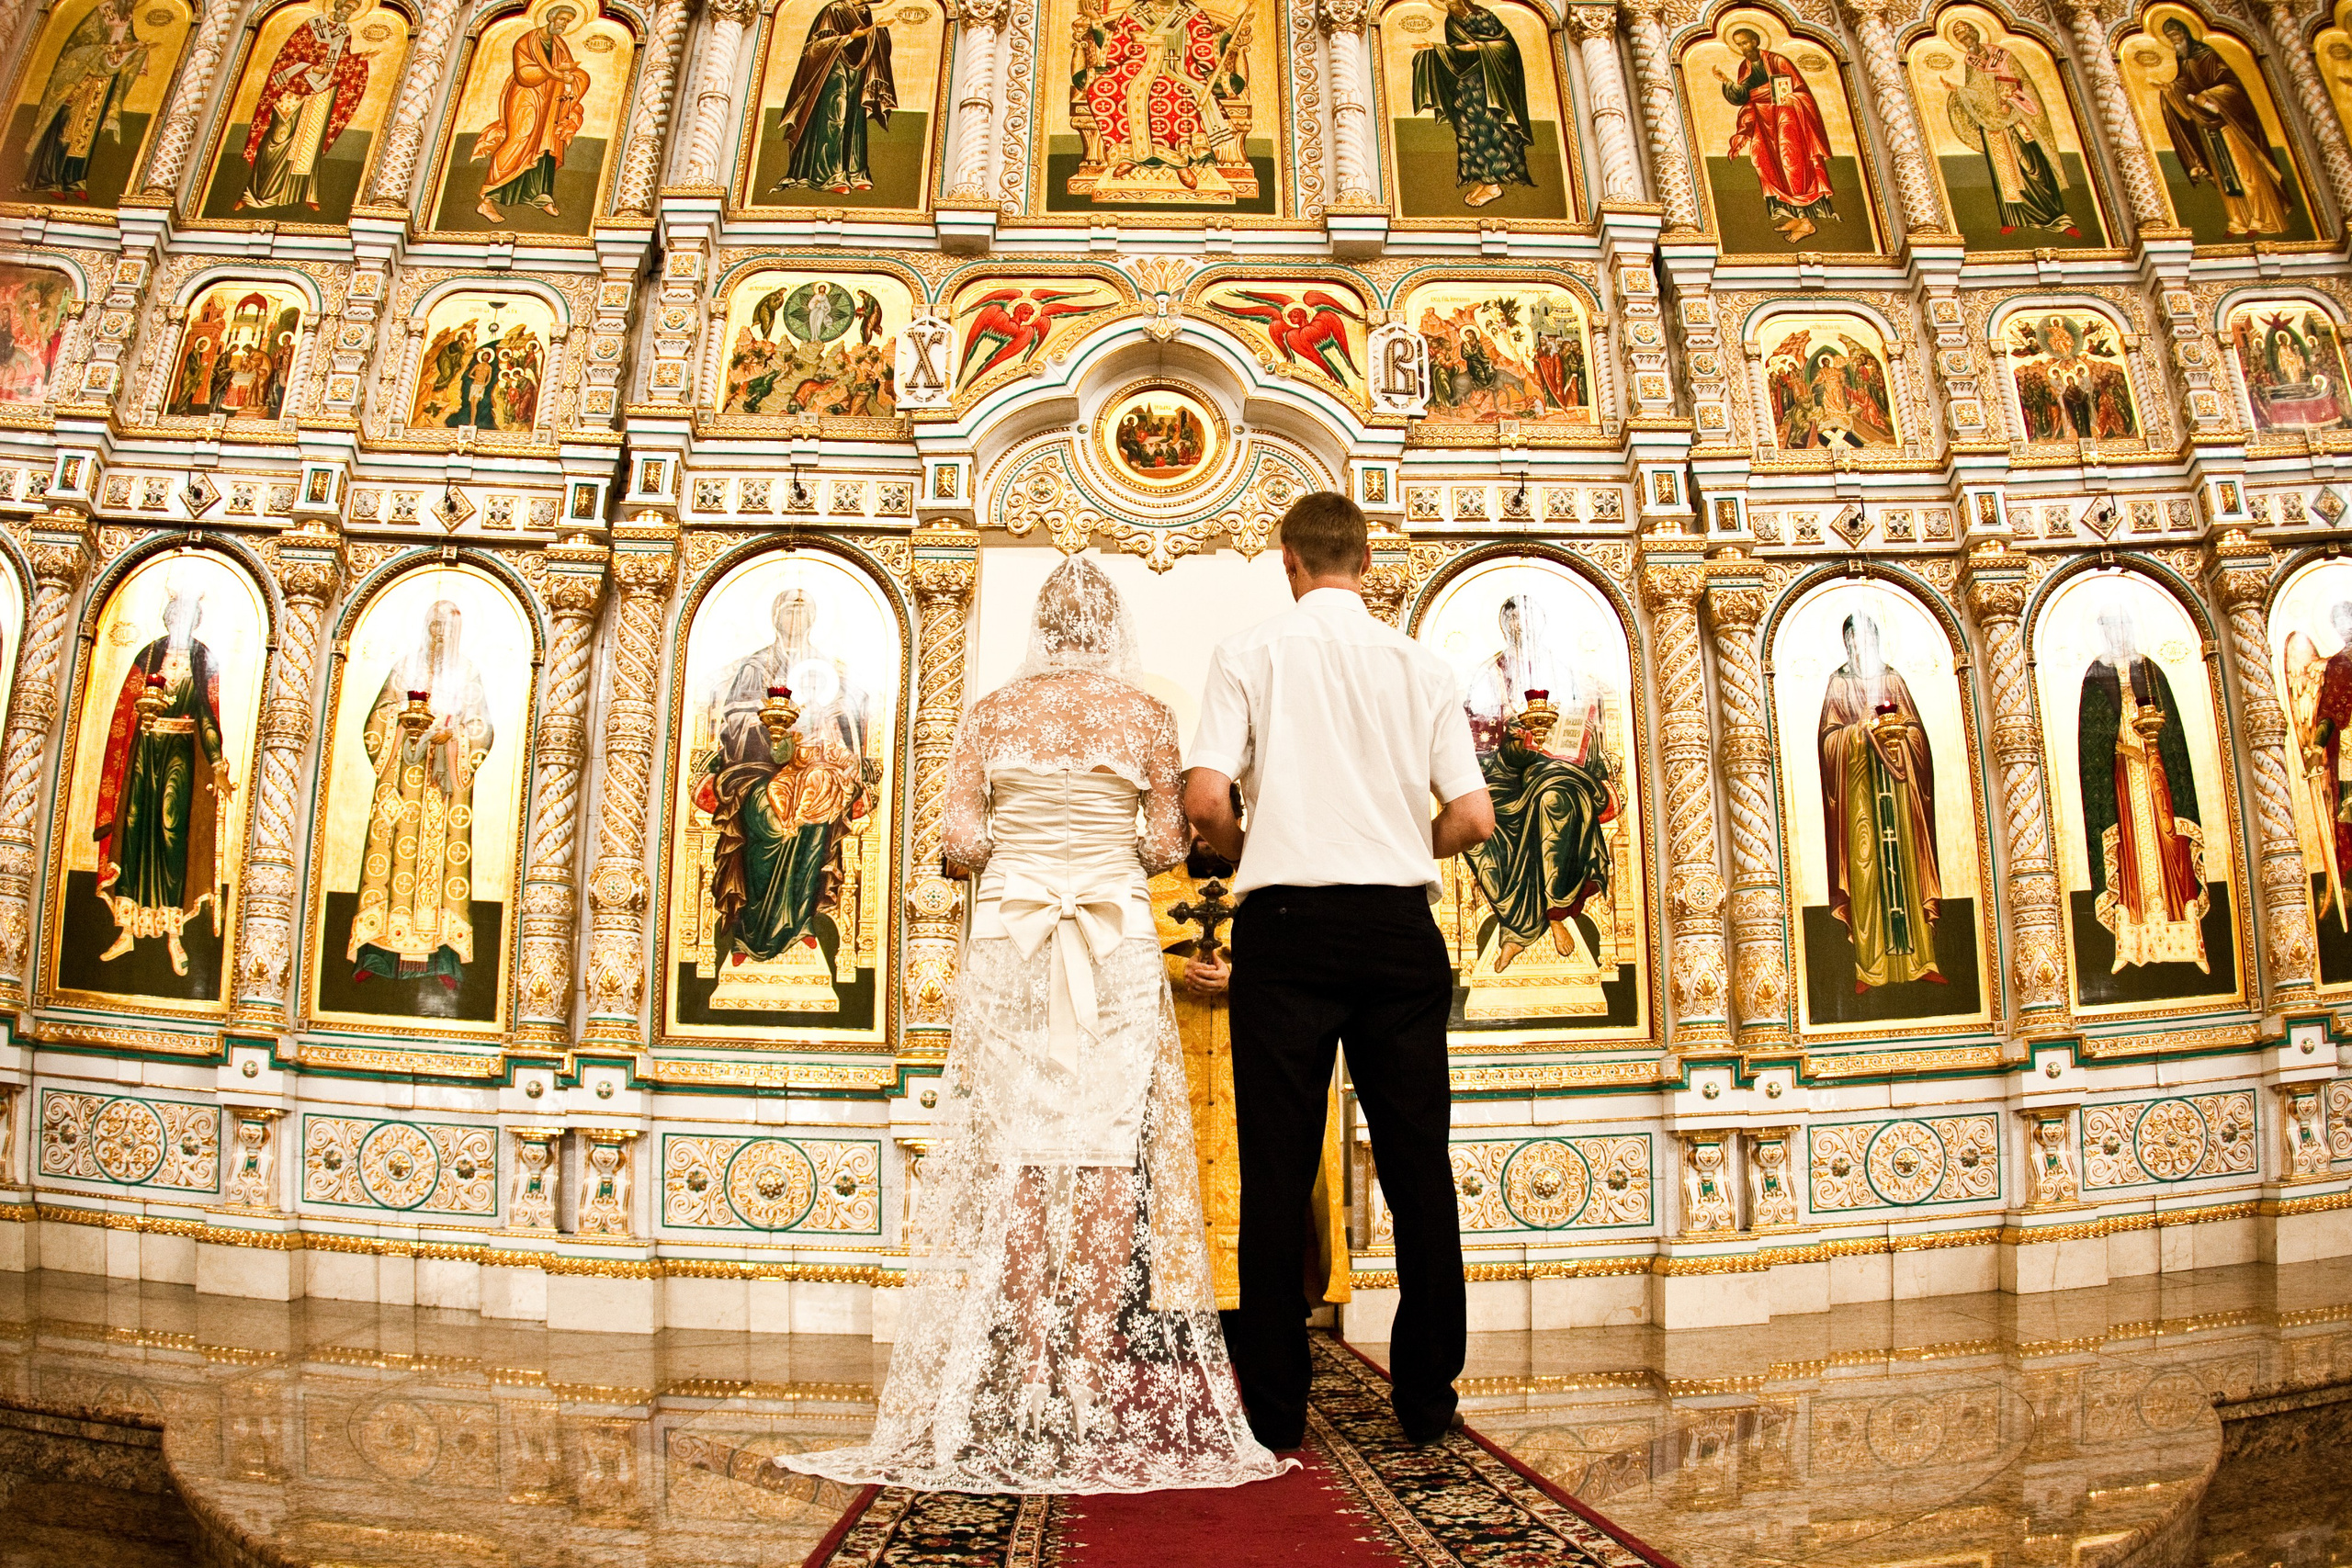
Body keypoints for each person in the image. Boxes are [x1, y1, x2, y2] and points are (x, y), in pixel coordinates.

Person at [777, 557, 1289, 1492]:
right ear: (1110, 627)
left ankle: (1019, 1380)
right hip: (1112, 937)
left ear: (1042, 625)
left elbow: (961, 843)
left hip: (1015, 937)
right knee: (1100, 1157)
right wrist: (1102, 847)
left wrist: (1025, 845)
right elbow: (1171, 844)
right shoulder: (1144, 717)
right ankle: (1086, 1381)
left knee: (1015, 1150)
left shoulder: (990, 715)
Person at [1183, 491, 1495, 1451]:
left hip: (1287, 930)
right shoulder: (1422, 665)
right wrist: (1400, 837)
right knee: (1417, 1167)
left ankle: (1275, 1412)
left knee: (1277, 1171)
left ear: (1288, 562)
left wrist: (1248, 848)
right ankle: (1426, 1401)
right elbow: (1475, 819)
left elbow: (1202, 799)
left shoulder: (1250, 652)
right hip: (1398, 931)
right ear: (1366, 561)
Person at [346, 600, 494, 988]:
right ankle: (377, 955)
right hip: (403, 781)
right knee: (392, 863)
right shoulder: (404, 669)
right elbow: (376, 721)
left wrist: (453, 737)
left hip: (444, 791)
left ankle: (443, 961)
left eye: (448, 627)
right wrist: (403, 723)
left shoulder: (467, 673)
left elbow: (482, 728)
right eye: (434, 625)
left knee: (441, 868)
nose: (440, 634)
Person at [1815, 612, 1942, 991]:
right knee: (1866, 869)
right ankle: (1868, 968)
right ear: (1846, 643)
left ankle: (1923, 961)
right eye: (1853, 639)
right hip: (1860, 794)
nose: (1860, 645)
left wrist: (1900, 735)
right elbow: (1828, 741)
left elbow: (1919, 737)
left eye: (1867, 637)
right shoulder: (1838, 685)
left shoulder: (1893, 680)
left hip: (1900, 797)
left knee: (1906, 866)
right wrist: (1860, 733)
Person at [2154, 17, 2289, 237]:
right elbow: (2185, 85)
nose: (2174, 40)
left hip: (2231, 122)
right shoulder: (2184, 59)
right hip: (2207, 125)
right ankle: (2239, 221)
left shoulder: (2206, 54)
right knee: (2224, 175)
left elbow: (2231, 87)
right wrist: (2169, 89)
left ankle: (2265, 220)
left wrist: (2207, 96)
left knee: (2245, 171)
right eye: (2170, 37)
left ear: (2185, 32)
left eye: (2176, 34)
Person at [1712, 26, 1837, 243]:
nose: (1743, 48)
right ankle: (1793, 216)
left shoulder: (1778, 61)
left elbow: (1798, 91)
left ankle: (1806, 221)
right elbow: (1743, 96)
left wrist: (1791, 100)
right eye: (1739, 44)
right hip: (1764, 120)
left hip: (1789, 120)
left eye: (1745, 42)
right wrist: (1726, 81)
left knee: (1792, 165)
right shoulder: (1745, 67)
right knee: (1764, 161)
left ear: (1756, 41)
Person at [471, 3, 592, 223]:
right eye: (562, 19)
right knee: (520, 138)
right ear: (551, 17)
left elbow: (565, 68)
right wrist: (556, 74)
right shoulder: (526, 41)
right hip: (526, 96)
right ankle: (487, 198)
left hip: (549, 99)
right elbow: (524, 73)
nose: (564, 25)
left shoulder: (559, 44)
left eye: (568, 22)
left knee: (547, 142)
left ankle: (541, 196)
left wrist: (570, 77)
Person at [1409, 0, 1535, 209]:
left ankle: (1494, 185)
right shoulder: (1452, 21)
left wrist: (1461, 48)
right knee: (1468, 131)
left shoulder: (1484, 16)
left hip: (1491, 85)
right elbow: (1457, 54)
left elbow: (1504, 47)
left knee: (1489, 130)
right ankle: (1484, 180)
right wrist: (1434, 52)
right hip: (1467, 85)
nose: (1447, 2)